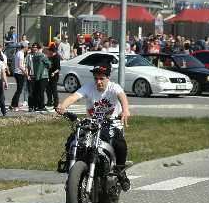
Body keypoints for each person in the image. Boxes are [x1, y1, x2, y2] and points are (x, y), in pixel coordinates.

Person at [55, 62, 132, 192]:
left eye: (102, 78)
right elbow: (74, 97)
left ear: (108, 78)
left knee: (120, 144)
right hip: (92, 124)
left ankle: (120, 171)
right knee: (73, 140)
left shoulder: (114, 87)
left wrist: (125, 110)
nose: (98, 82)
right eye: (96, 78)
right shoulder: (89, 87)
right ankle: (70, 167)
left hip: (112, 124)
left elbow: (122, 96)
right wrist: (63, 106)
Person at [27, 43, 50, 112]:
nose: (34, 48)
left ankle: (37, 105)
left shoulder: (39, 56)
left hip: (38, 76)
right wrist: (27, 75)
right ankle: (34, 106)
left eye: (35, 47)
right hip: (34, 76)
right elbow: (27, 66)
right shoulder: (30, 56)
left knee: (38, 92)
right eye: (33, 47)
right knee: (34, 92)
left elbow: (47, 65)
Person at [10, 44, 29, 111]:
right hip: (19, 73)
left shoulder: (18, 53)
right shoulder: (21, 54)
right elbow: (20, 65)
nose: (28, 49)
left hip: (17, 72)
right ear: (25, 47)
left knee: (19, 90)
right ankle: (14, 105)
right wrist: (25, 73)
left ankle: (13, 103)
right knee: (19, 90)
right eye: (27, 47)